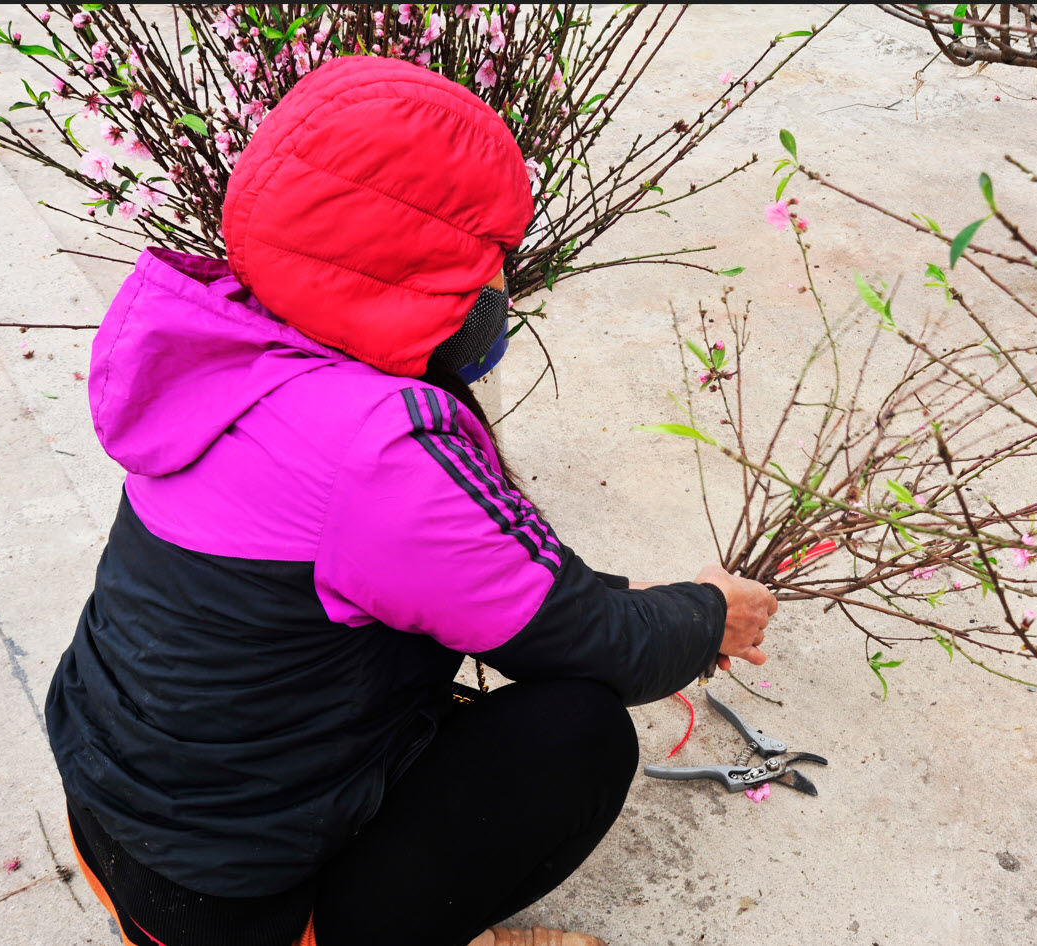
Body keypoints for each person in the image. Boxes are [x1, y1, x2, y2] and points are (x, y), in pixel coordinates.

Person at [44, 56, 776, 946]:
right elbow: (595, 647)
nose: (502, 288)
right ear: (428, 270)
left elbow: (495, 579)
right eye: (493, 259)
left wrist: (633, 600)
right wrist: (709, 617)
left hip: (125, 832)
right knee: (575, 733)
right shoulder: (380, 445)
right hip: (234, 911)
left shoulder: (221, 349)